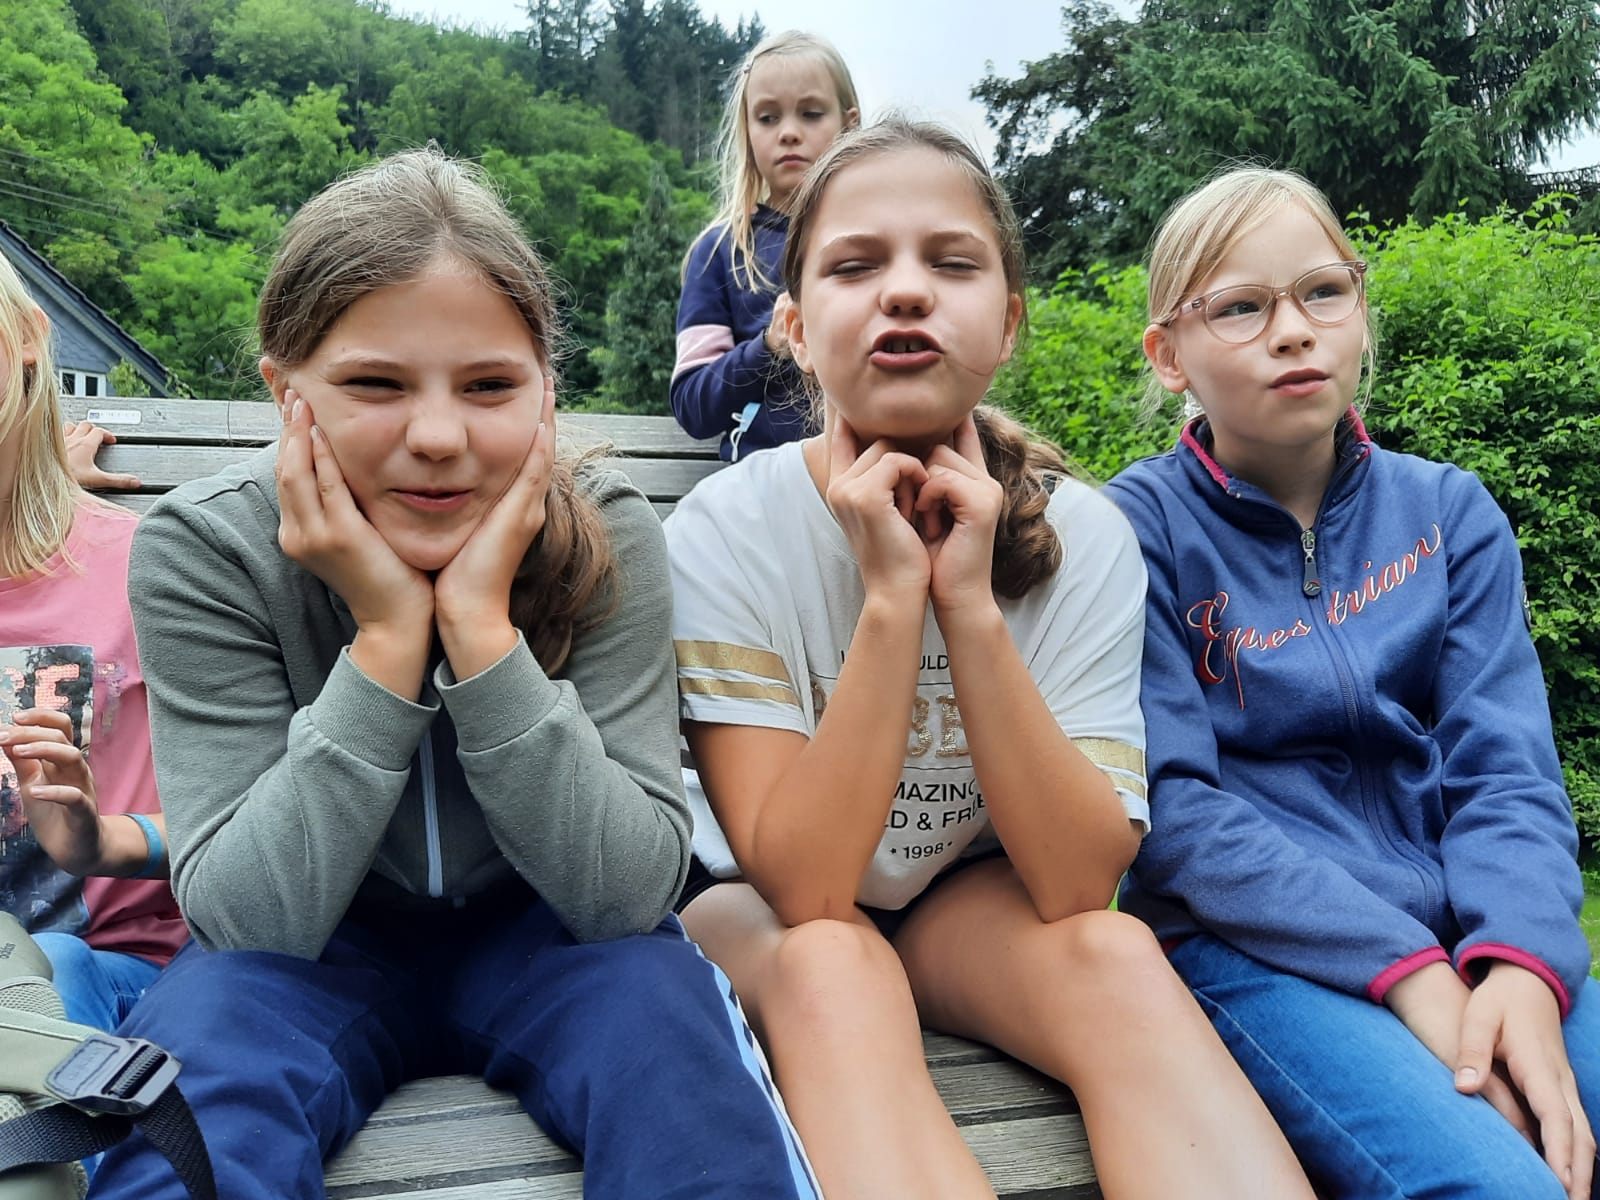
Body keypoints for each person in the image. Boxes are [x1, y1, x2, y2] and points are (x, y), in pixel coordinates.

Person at [89, 148, 819, 1200]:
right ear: (285, 393)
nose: (437, 437)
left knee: (682, 1068)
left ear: (545, 394)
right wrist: (388, 637)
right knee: (192, 1105)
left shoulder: (610, 534)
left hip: (553, 931)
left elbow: (626, 896)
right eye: (374, 384)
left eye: (489, 386)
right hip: (308, 950)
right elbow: (246, 921)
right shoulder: (208, 550)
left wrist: (479, 629)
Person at [667, 118, 1314, 1200]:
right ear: (793, 327)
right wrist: (891, 603)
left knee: (1115, 958)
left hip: (966, 903)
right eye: (855, 265)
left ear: (1008, 323)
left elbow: (1077, 883)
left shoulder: (1086, 538)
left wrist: (966, 603)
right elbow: (811, 888)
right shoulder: (727, 530)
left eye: (952, 263)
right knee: (835, 963)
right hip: (758, 907)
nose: (904, 291)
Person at [1104, 165, 1600, 1200]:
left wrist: (1517, 961)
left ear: (1360, 309)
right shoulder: (1132, 534)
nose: (1293, 331)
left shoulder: (1449, 515)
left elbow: (1506, 772)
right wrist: (1405, 970)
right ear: (1168, 355)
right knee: (1502, 1185)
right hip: (1257, 951)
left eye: (1323, 292)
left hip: (1472, 935)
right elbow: (1174, 810)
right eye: (1240, 307)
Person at [0, 254, 183, 1035]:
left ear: (27, 337)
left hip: (112, 971)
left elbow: (242, 823)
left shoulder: (144, 570)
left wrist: (101, 837)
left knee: (53, 965)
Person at [671, 30, 858, 461]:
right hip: (762, 483)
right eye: (768, 118)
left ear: (849, 125)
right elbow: (692, 404)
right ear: (748, 132)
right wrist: (769, 346)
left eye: (811, 114)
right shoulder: (719, 252)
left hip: (880, 475)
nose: (789, 132)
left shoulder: (885, 239)